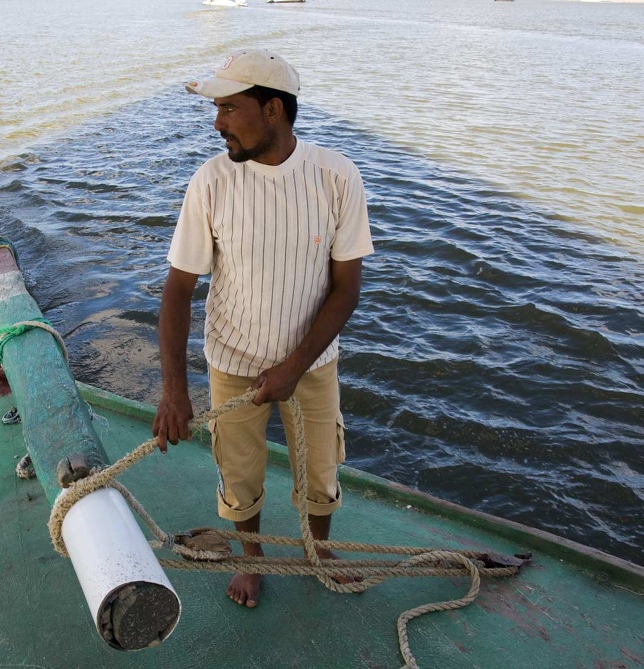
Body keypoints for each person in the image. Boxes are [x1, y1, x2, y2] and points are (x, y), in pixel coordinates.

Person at [153, 49, 374, 608]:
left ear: (272, 109)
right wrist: (174, 391)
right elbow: (179, 289)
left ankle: (317, 550)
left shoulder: (336, 176)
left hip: (313, 364)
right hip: (233, 360)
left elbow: (346, 287)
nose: (217, 121)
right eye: (217, 109)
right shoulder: (211, 182)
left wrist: (294, 367)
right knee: (241, 473)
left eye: (229, 108)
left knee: (320, 473)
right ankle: (253, 561)